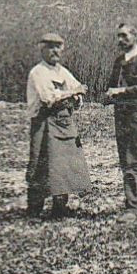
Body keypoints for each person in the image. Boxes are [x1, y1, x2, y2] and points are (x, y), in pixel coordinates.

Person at [25, 32, 90, 218]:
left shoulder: (62, 71)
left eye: (58, 47)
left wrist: (76, 95)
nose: (54, 51)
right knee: (41, 164)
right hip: (44, 123)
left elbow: (79, 89)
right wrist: (72, 93)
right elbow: (47, 99)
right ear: (42, 49)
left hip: (64, 123)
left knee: (64, 165)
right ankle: (34, 208)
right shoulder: (38, 72)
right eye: (50, 47)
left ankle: (60, 207)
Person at [104, 23, 137, 216]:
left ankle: (133, 208)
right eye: (118, 36)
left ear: (135, 36)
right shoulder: (119, 61)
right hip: (120, 116)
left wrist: (122, 91)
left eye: (125, 36)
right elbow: (112, 86)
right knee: (126, 161)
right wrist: (109, 96)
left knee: (135, 160)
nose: (120, 40)